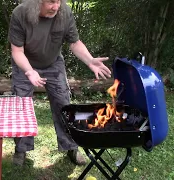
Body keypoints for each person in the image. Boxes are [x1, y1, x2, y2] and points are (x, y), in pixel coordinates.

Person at [8, 0, 111, 166]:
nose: (55, 7)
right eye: (50, 2)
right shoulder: (20, 13)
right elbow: (17, 51)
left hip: (53, 63)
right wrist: (29, 71)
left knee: (64, 105)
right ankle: (21, 150)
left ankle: (71, 147)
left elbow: (75, 43)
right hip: (24, 64)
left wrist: (90, 60)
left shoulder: (64, 12)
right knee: (22, 106)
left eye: (58, 1)